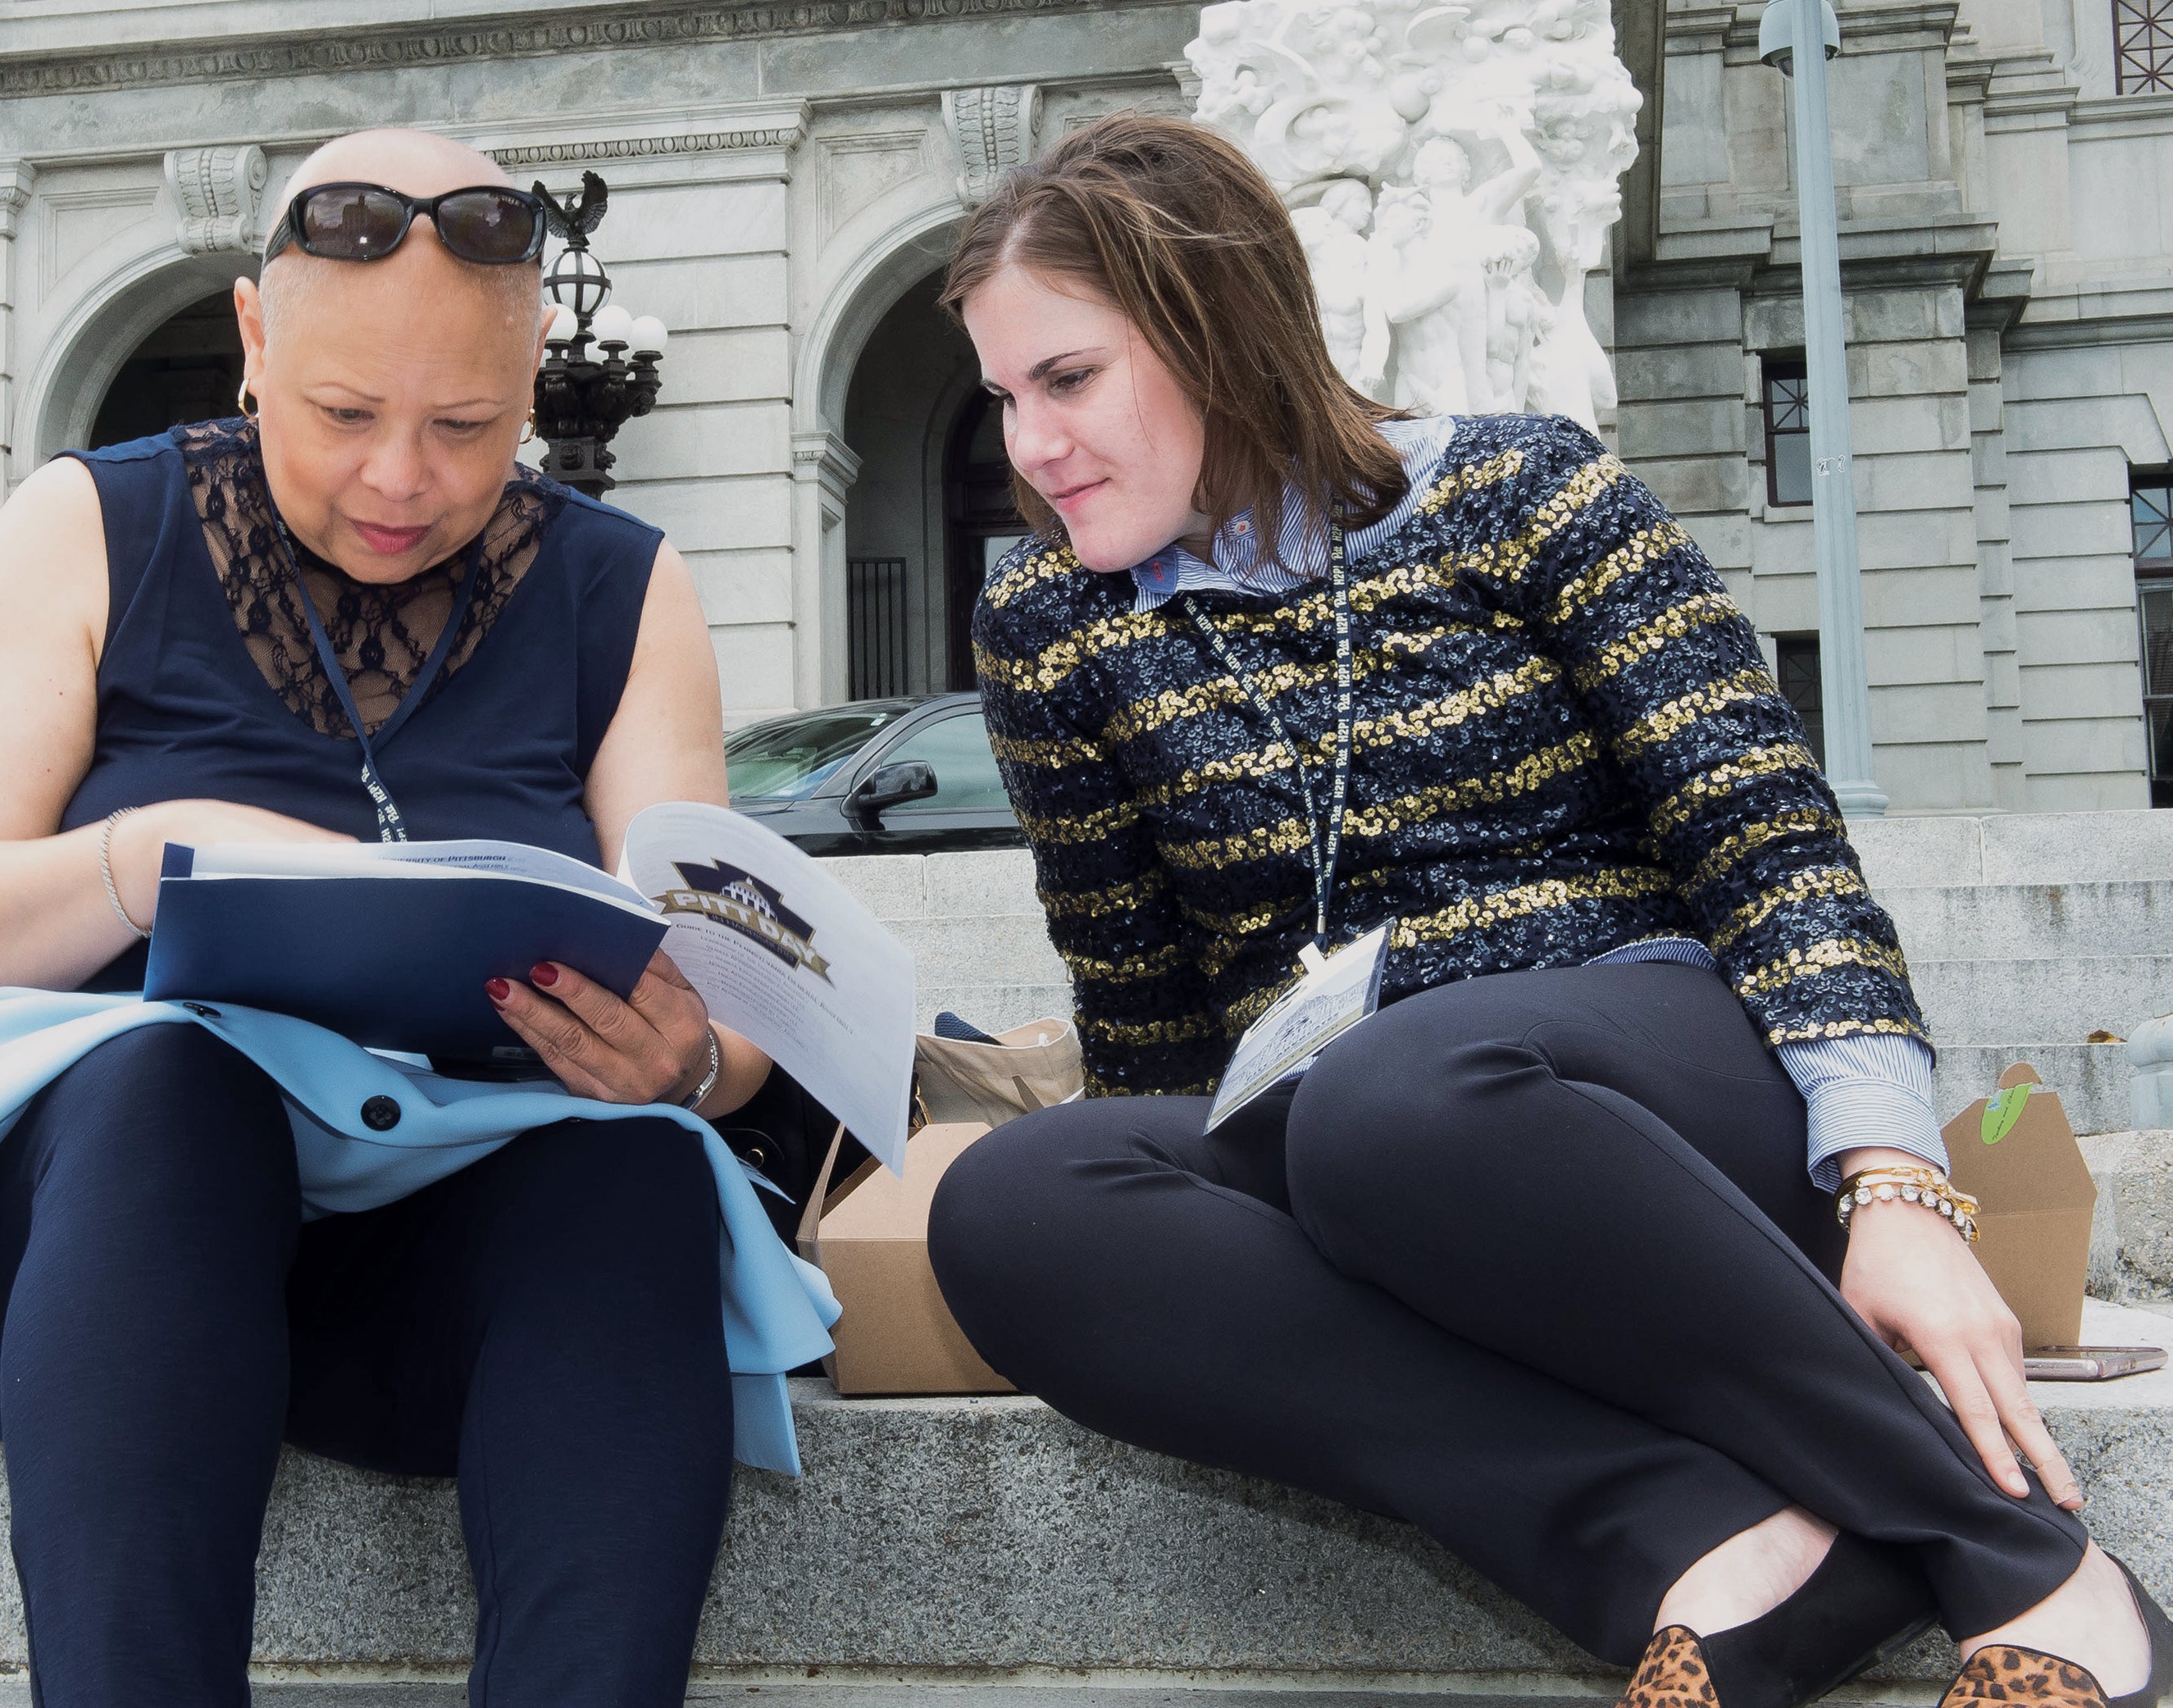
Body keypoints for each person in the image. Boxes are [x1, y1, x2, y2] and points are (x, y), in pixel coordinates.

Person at [925, 114, 2173, 1708]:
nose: (1029, 448)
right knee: (1014, 1202)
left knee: (1395, 1097)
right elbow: (1146, 1012)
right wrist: (1180, 1232)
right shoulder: (1047, 619)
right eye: (1001, 398)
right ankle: (1720, 1545)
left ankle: (2028, 1562)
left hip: (1638, 1092)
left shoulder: (1524, 495)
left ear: (1215, 332)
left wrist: (1892, 1187)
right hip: (1343, 1130)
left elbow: (1769, 844)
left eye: (1067, 379)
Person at [0, 128, 783, 1708]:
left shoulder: (624, 585)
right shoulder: (87, 525)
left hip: (434, 1289)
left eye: (467, 425)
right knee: (169, 1082)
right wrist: (145, 856)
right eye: (344, 414)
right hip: (94, 1268)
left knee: (632, 1165)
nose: (403, 479)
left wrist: (684, 1061)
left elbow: (742, 1020)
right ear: (256, 340)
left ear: (538, 371)